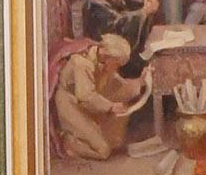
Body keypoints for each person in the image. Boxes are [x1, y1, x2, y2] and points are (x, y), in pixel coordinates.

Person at [51, 33, 149, 161]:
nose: (117, 67)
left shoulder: (103, 61)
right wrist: (110, 106)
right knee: (103, 150)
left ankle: (85, 135)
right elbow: (86, 96)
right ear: (108, 57)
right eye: (117, 63)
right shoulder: (82, 63)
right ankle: (70, 144)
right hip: (70, 104)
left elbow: (119, 84)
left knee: (114, 141)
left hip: (87, 103)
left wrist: (140, 82)